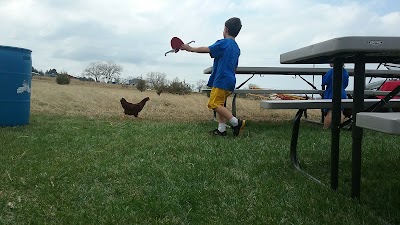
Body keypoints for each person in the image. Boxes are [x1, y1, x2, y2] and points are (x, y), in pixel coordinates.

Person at [180, 17, 245, 136]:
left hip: (221, 80)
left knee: (213, 104)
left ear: (225, 29)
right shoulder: (236, 48)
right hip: (230, 80)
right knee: (220, 104)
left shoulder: (223, 43)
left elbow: (207, 49)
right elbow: (234, 66)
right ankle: (221, 130)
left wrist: (190, 49)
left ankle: (236, 123)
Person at [321, 63, 349, 129]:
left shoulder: (331, 71)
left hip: (331, 94)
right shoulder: (345, 72)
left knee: (330, 112)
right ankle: (339, 127)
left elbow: (324, 81)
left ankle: (326, 128)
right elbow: (346, 84)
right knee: (340, 112)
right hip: (342, 94)